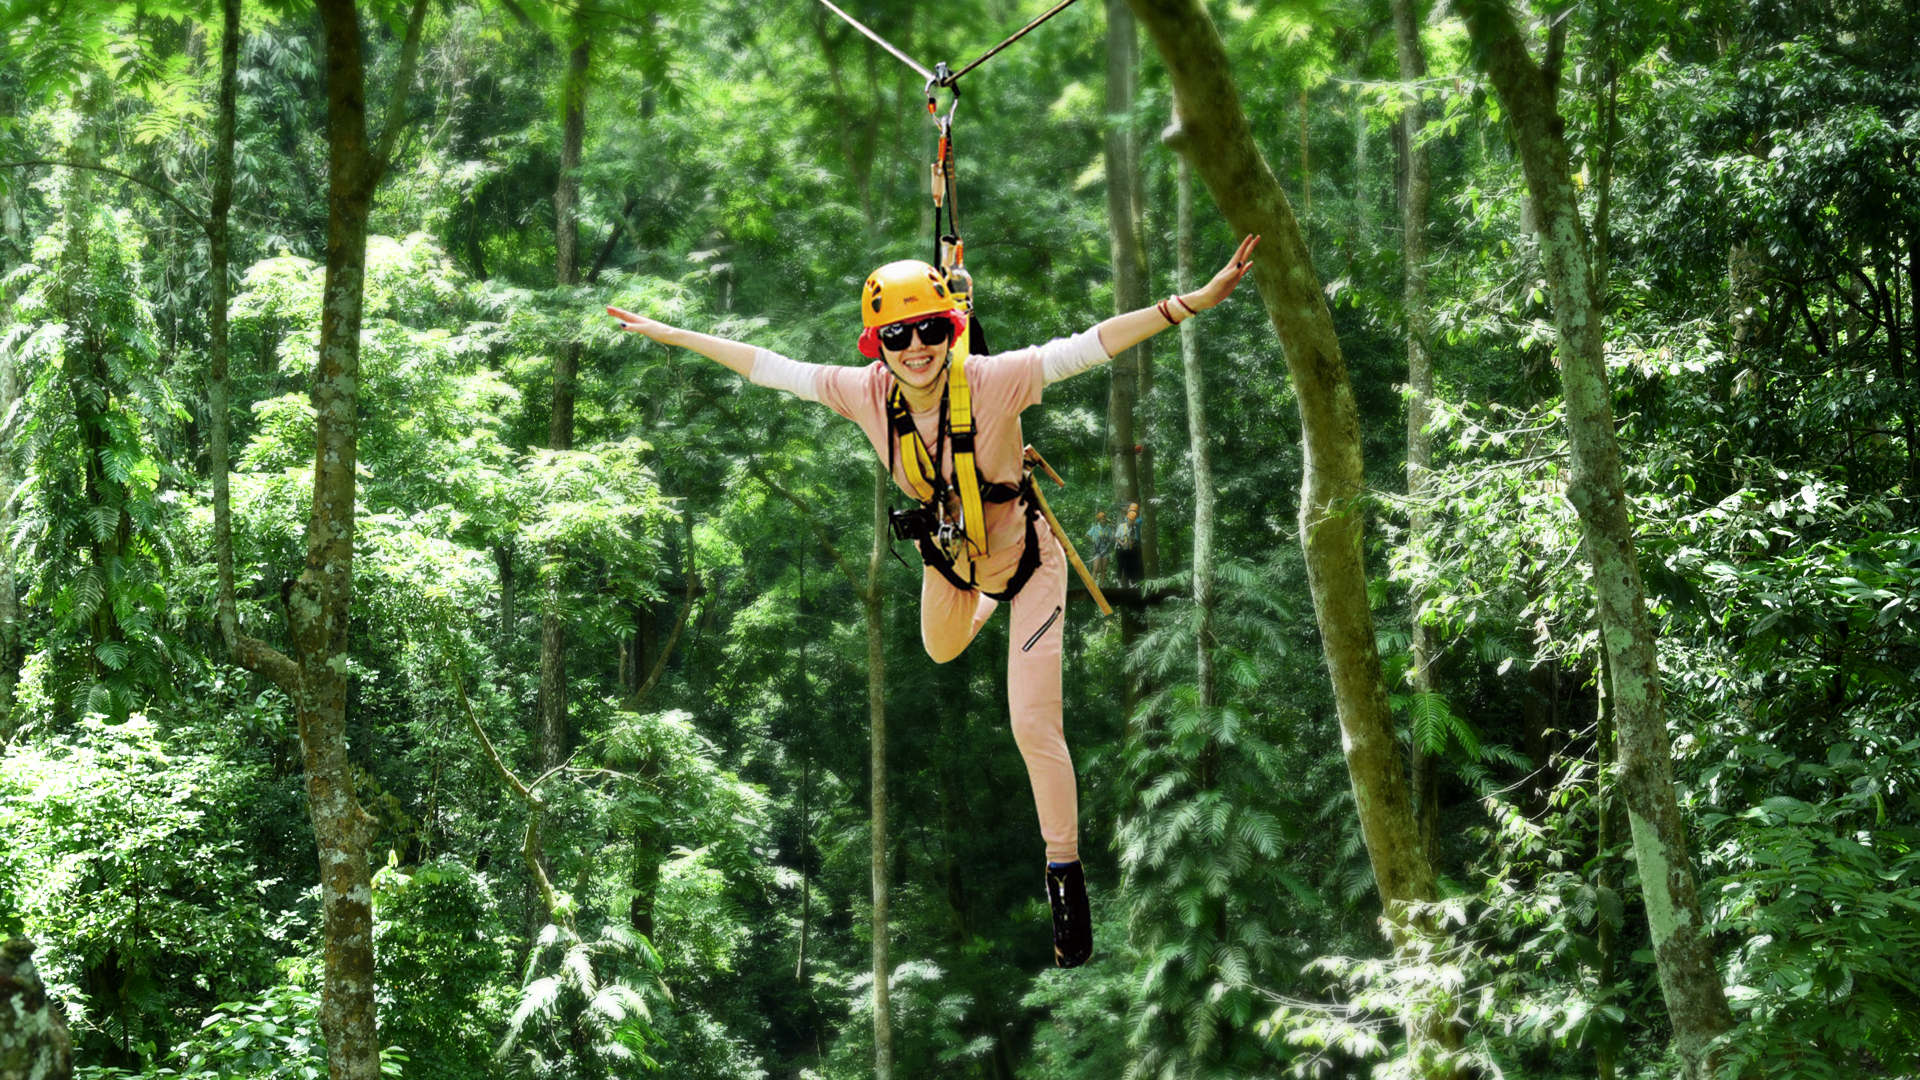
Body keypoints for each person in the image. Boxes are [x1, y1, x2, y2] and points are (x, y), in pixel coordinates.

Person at [608, 234, 1259, 968]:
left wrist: (1189, 304)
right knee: (941, 647)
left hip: (1031, 562)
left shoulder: (996, 378)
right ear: (876, 345)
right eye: (898, 335)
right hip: (950, 559)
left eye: (931, 329)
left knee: (1032, 724)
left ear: (951, 331)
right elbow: (766, 366)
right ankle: (984, 605)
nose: (916, 347)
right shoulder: (863, 394)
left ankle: (1065, 878)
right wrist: (668, 333)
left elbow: (1092, 345)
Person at [1114, 502, 1143, 587]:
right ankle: (1119, 582)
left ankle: (1130, 582)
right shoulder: (1122, 526)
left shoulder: (1138, 521)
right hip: (1120, 547)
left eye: (1132, 519)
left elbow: (1135, 537)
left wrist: (1132, 542)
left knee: (1129, 565)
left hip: (1130, 547)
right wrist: (1122, 543)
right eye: (1129, 519)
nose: (1130, 521)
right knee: (1121, 565)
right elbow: (1116, 537)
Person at [1085, 511, 1114, 586]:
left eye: (1104, 519)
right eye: (1101, 519)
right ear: (1099, 520)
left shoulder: (1108, 529)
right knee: (1096, 569)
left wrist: (1113, 537)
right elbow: (1086, 535)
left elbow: (1110, 539)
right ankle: (1092, 586)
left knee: (1104, 569)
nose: (1103, 520)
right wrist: (1093, 540)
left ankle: (1101, 586)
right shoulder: (1095, 528)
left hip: (1106, 550)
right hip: (1097, 550)